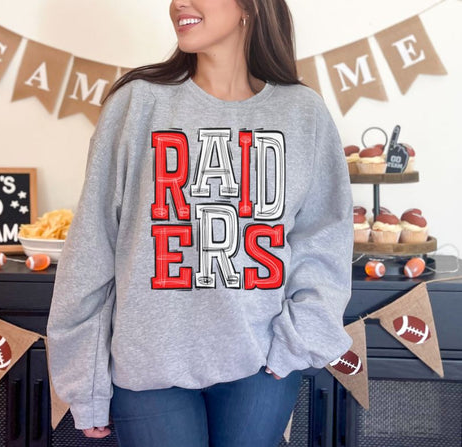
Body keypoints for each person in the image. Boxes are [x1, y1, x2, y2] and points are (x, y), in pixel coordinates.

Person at [47, 0, 354, 445]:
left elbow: (323, 241)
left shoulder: (302, 114)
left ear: (249, 7)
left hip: (260, 363)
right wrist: (85, 383)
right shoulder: (138, 102)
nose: (178, 4)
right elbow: (93, 246)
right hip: (149, 365)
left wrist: (298, 341)